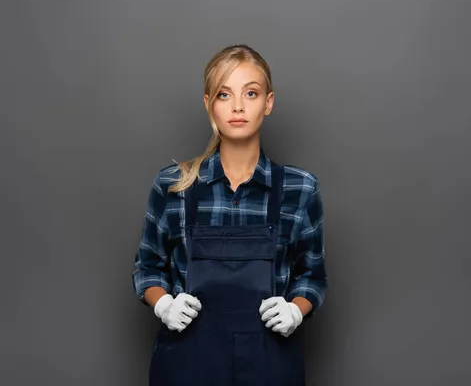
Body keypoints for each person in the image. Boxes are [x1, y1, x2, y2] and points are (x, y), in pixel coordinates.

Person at [132, 44, 327, 386]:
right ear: (209, 103)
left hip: (269, 365)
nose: (238, 106)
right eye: (224, 94)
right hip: (188, 364)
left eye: (250, 93)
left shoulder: (300, 189)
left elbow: (312, 277)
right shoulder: (173, 185)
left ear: (268, 102)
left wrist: (296, 309)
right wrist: (164, 305)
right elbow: (147, 267)